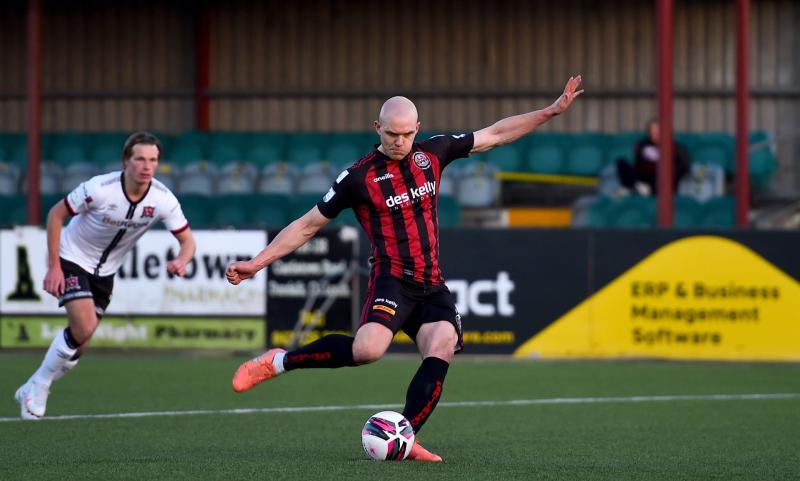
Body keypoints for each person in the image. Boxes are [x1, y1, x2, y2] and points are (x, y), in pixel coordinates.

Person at [225, 76, 584, 461]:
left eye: (407, 134)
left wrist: (550, 111)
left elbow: (495, 134)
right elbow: (307, 225)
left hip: (431, 283)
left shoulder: (434, 153)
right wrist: (257, 264)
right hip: (391, 281)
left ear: (418, 128)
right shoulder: (358, 178)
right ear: (377, 128)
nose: (399, 141)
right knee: (367, 350)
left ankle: (405, 435)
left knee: (442, 343)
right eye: (392, 134)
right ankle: (278, 361)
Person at [14, 131, 197, 420]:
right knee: (84, 326)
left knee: (81, 342)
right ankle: (40, 384)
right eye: (140, 159)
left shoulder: (163, 199)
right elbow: (55, 215)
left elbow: (188, 241)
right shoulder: (99, 189)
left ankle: (33, 384)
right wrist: (54, 266)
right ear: (126, 161)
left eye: (153, 160)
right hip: (72, 258)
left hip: (106, 272)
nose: (147, 166)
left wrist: (182, 260)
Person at [616, 117, 690, 196]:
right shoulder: (642, 145)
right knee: (621, 162)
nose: (655, 134)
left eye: (658, 131)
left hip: (663, 177)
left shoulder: (675, 147)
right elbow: (638, 164)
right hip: (643, 176)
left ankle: (645, 189)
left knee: (671, 171)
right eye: (652, 131)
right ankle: (633, 187)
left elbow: (683, 166)